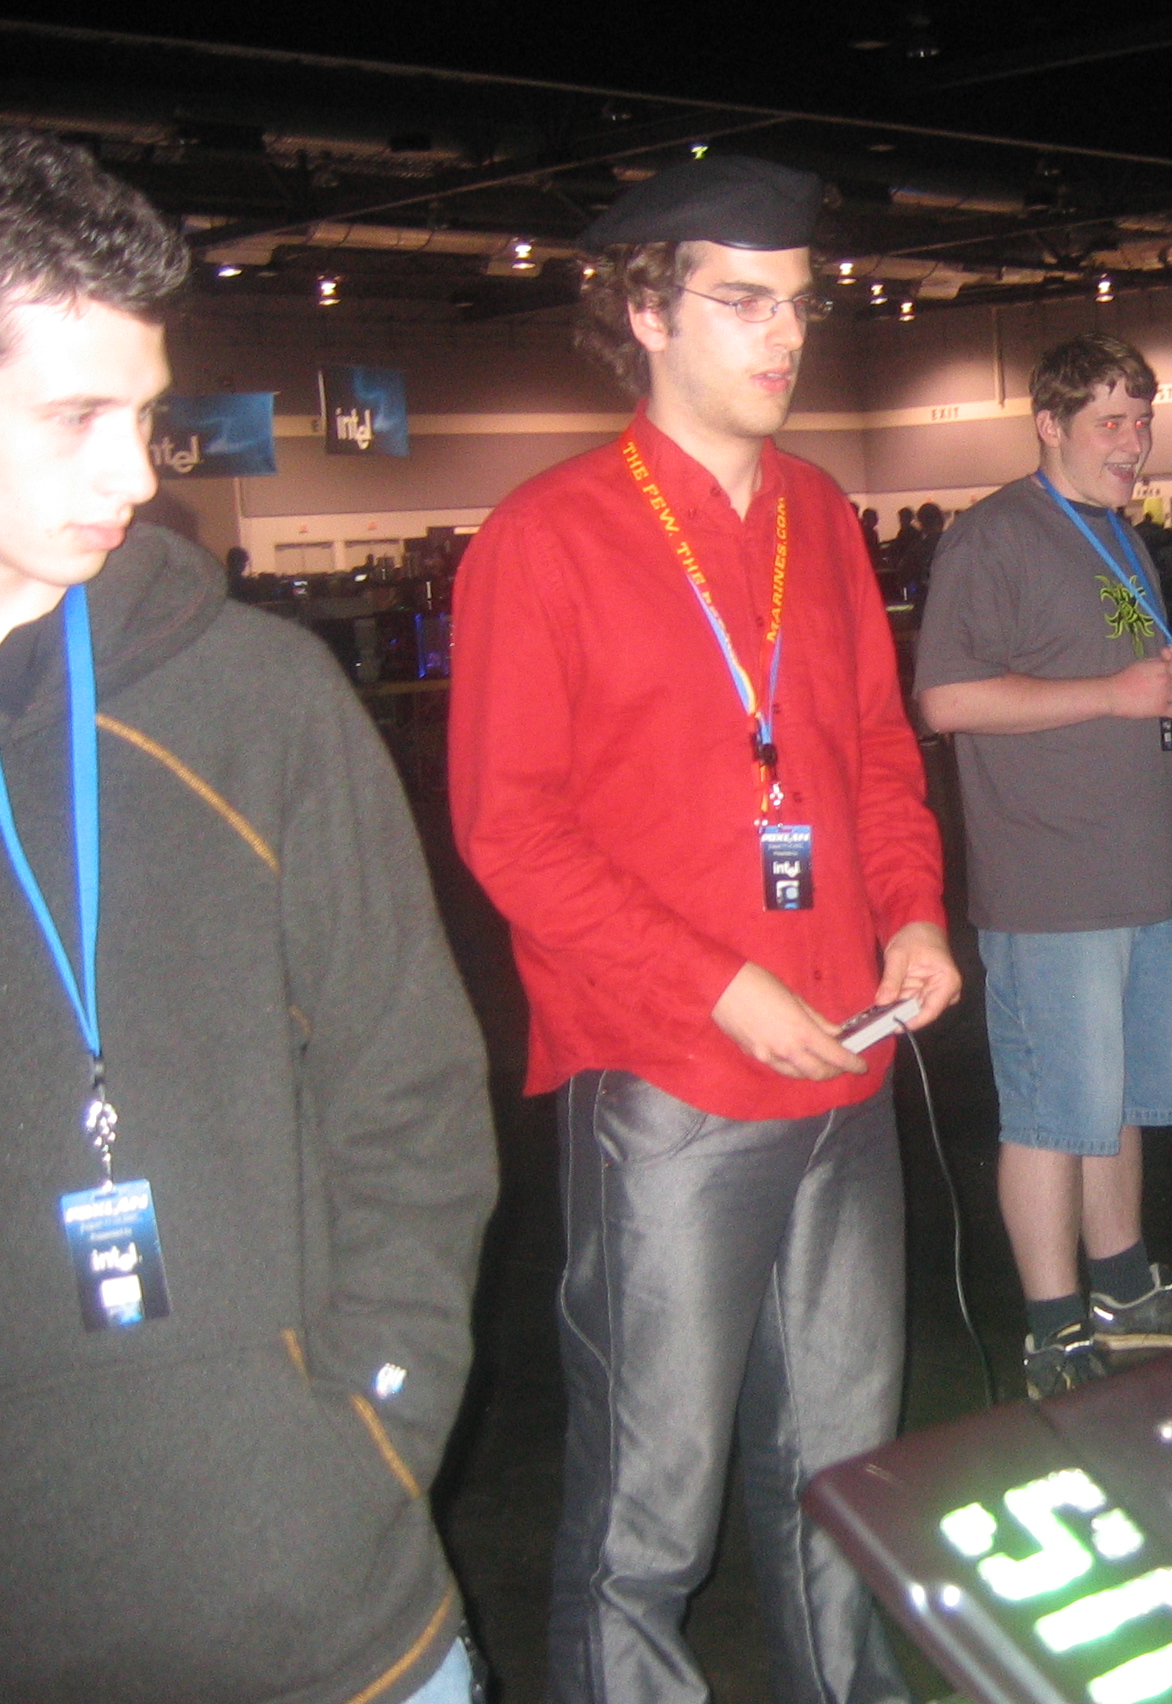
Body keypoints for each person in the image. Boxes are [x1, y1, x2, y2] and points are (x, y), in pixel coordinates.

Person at [448, 153, 958, 1704]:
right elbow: (509, 830)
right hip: (668, 1087)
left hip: (848, 1068)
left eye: (798, 304)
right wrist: (717, 983)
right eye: (745, 303)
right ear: (647, 313)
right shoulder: (545, 537)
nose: (785, 335)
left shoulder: (821, 515)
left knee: (842, 1480)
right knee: (646, 1517)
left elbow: (875, 752)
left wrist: (915, 913)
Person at [0, 132, 495, 1703]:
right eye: (74, 418)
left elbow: (411, 1096)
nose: (138, 475)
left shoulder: (255, 700)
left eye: (141, 415)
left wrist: (372, 1433)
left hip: (326, 1609)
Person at [915, 332, 1172, 1398]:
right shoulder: (993, 539)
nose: (1133, 443)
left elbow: (1117, 670)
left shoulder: (1114, 533)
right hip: (1052, 889)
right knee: (1052, 1116)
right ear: (1048, 425)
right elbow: (946, 699)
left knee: (1118, 1105)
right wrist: (1114, 694)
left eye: (1142, 422)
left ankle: (1127, 1294)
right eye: (1110, 422)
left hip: (1141, 875)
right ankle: (1054, 1338)